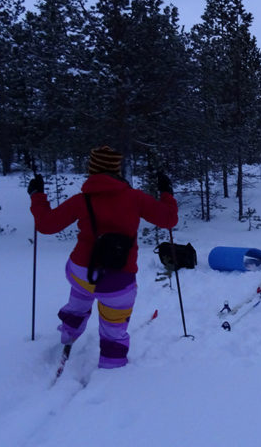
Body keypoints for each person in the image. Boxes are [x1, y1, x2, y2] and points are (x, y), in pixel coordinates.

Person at [28, 146, 178, 369]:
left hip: (81, 272)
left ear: (92, 170)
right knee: (113, 328)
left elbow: (46, 224)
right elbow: (169, 219)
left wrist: (37, 196)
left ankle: (68, 334)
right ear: (116, 170)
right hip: (118, 280)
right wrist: (166, 193)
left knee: (79, 301)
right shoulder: (135, 198)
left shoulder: (82, 200)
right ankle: (111, 367)